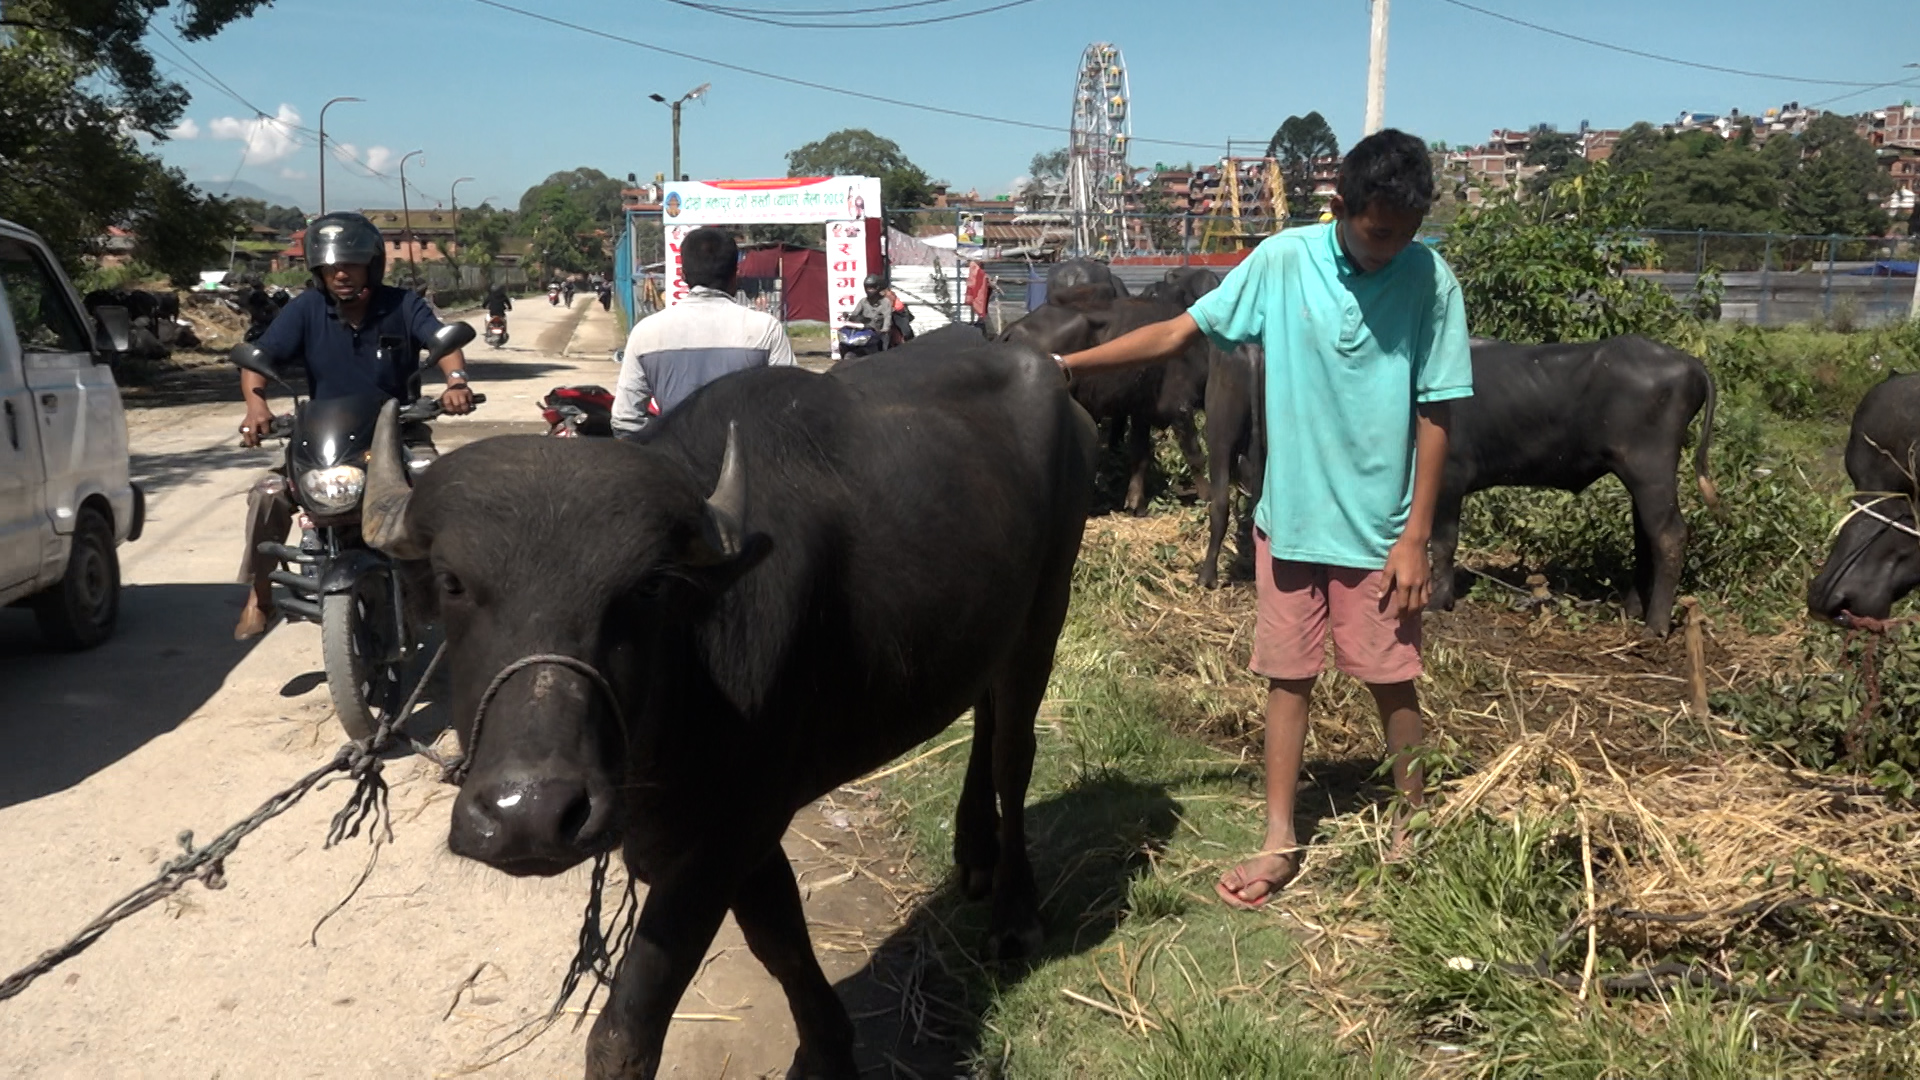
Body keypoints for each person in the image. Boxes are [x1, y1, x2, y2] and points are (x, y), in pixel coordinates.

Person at [1057, 130, 1473, 909]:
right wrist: (1068, 367)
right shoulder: (1284, 261)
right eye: (1378, 231)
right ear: (1340, 207)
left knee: (1391, 677)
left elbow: (1438, 407)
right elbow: (1180, 332)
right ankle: (1280, 838)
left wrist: (1416, 538)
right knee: (1288, 678)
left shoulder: (1429, 280)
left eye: (1406, 232)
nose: (1391, 247)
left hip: (1381, 525)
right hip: (1289, 519)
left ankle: (1414, 822)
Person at [232, 211, 477, 639]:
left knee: (435, 482)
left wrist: (456, 382)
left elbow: (443, 344)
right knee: (267, 495)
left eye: (350, 264)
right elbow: (258, 360)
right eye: (330, 267)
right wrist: (255, 407)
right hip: (324, 436)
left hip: (398, 429)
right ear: (318, 271)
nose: (340, 274)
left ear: (372, 265)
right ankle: (260, 595)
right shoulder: (305, 309)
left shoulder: (404, 305)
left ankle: (450, 587)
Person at [611, 227, 794, 437]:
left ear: (683, 275)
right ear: (736, 273)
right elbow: (791, 408)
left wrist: (661, 454)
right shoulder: (766, 329)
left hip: (673, 465)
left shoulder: (646, 332)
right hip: (747, 463)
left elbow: (625, 419)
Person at [845, 273, 895, 347]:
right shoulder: (863, 301)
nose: (869, 290)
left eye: (872, 288)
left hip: (879, 333)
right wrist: (849, 317)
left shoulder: (885, 302)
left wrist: (884, 330)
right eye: (867, 288)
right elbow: (854, 314)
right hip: (865, 332)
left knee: (884, 346)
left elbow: (887, 318)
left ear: (877, 288)